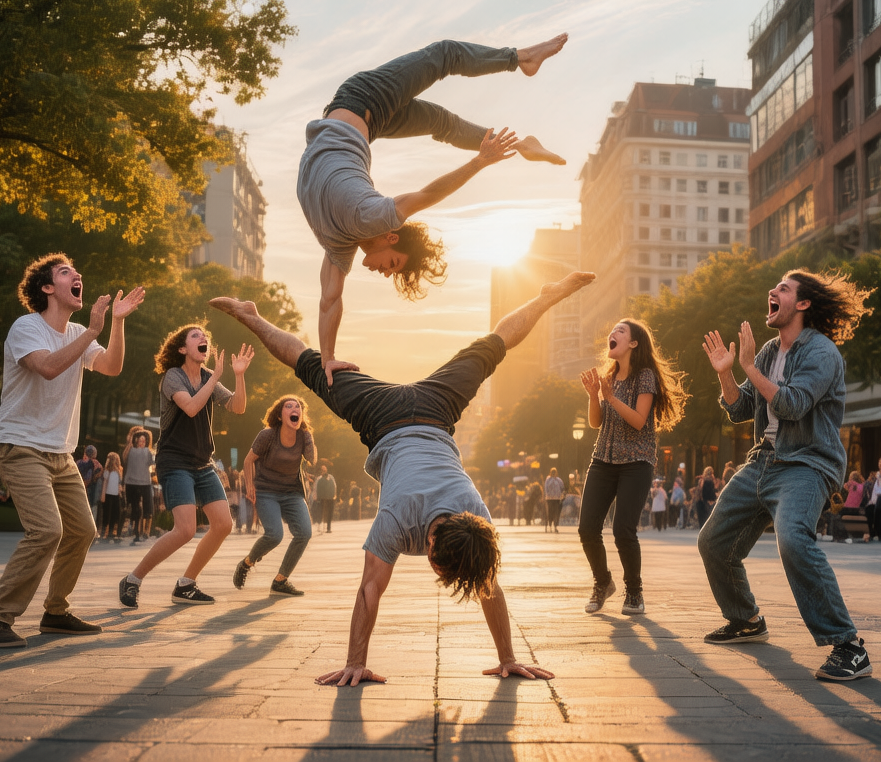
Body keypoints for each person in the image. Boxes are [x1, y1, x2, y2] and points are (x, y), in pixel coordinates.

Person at [211, 270, 596, 685]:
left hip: (433, 405)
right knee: (310, 366)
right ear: (430, 544)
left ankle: (546, 296)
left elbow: (488, 583)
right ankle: (251, 315)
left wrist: (509, 658)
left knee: (494, 346)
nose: (438, 575)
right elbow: (369, 589)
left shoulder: (475, 522)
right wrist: (355, 662)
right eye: (440, 569)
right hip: (390, 419)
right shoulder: (399, 516)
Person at [300, 35, 569, 384]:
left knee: (442, 118)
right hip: (365, 99)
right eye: (393, 264)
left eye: (391, 268)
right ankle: (521, 66)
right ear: (391, 236)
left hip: (363, 115)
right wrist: (478, 163)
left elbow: (329, 300)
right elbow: (428, 194)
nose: (383, 272)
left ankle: (521, 133)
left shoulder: (340, 244)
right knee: (444, 60)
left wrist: (328, 359)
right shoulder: (373, 217)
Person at [699, 269, 874, 681]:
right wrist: (727, 371)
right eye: (775, 286)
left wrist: (747, 366)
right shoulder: (767, 352)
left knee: (794, 539)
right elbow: (741, 408)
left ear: (803, 303)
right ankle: (745, 619)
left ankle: (849, 647)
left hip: (807, 463)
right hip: (763, 460)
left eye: (783, 288)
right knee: (713, 541)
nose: (773, 291)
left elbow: (793, 405)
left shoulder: (822, 352)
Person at [0, 254, 145, 647]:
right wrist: (94, 330)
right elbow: (48, 367)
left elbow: (112, 366)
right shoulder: (27, 328)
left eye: (75, 271)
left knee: (83, 530)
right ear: (48, 288)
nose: (76, 274)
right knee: (47, 530)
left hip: (59, 453)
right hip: (19, 445)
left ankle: (55, 612)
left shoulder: (79, 332)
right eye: (66, 272)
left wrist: (116, 324)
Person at [118, 325, 253, 609]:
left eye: (205, 335)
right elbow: (191, 407)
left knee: (223, 524)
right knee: (185, 530)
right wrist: (214, 378)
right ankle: (132, 579)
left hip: (202, 462)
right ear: (182, 348)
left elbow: (238, 407)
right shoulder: (173, 377)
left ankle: (186, 584)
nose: (203, 338)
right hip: (174, 460)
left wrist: (239, 376)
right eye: (195, 336)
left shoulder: (207, 377)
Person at [577, 319, 687, 616]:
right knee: (587, 529)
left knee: (623, 530)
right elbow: (596, 422)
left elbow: (639, 420)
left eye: (621, 331)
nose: (613, 333)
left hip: (636, 462)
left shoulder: (645, 377)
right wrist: (594, 396)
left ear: (634, 343)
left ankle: (634, 592)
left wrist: (611, 397)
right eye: (613, 330)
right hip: (603, 459)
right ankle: (603, 582)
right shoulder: (608, 378)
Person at [233, 395, 317, 596]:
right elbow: (248, 461)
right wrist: (250, 486)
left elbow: (312, 460)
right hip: (266, 492)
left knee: (304, 533)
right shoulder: (268, 435)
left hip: (292, 493)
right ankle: (246, 563)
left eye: (298, 407)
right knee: (274, 535)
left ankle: (281, 581)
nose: (295, 409)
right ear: (280, 415)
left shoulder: (303, 436)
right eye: (289, 406)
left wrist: (309, 438)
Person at [123, 429, 156, 544]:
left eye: (144, 441)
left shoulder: (147, 451)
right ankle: (136, 531)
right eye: (140, 440)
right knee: (135, 507)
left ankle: (143, 531)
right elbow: (124, 457)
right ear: (136, 441)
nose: (142, 442)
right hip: (132, 482)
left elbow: (153, 462)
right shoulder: (131, 450)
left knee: (146, 508)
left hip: (144, 482)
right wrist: (130, 442)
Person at [76, 445, 104, 533]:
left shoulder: (78, 463)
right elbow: (97, 478)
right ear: (95, 454)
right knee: (92, 510)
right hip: (92, 491)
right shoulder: (98, 465)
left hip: (79, 489)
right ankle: (91, 530)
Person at [100, 452, 124, 543]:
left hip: (116, 495)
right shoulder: (107, 471)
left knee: (115, 514)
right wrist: (103, 495)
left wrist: (120, 491)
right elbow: (105, 483)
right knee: (107, 514)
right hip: (108, 495)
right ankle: (103, 533)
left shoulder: (119, 471)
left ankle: (111, 532)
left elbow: (119, 483)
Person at [313, 463, 336, 533]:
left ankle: (328, 527)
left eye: (324, 469)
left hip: (330, 497)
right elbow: (315, 487)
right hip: (321, 497)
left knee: (330, 512)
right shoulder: (318, 478)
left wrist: (335, 494)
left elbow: (334, 486)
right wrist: (315, 496)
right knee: (321, 511)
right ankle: (320, 525)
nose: (323, 470)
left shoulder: (331, 477)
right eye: (322, 469)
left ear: (326, 469)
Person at [544, 468, 565, 533]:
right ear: (550, 473)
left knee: (556, 512)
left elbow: (562, 487)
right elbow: (546, 488)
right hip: (549, 499)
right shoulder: (548, 480)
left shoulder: (558, 480)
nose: (553, 473)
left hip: (556, 499)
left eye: (554, 472)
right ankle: (550, 525)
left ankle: (555, 526)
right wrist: (546, 495)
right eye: (552, 472)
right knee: (550, 512)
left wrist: (562, 494)